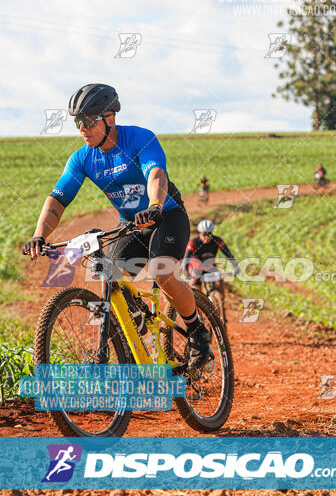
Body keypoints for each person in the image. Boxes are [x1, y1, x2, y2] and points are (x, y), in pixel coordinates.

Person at [23, 83, 211, 368]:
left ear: (110, 119)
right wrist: (39, 235)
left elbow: (156, 174)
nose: (82, 128)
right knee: (110, 277)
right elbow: (57, 200)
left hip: (166, 215)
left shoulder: (140, 139)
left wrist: (155, 206)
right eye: (77, 122)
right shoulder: (83, 158)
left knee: (162, 272)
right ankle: (144, 344)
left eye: (88, 121)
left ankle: (197, 330)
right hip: (131, 225)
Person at [183, 220, 240, 304]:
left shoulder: (217, 240)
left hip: (210, 267)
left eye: (209, 234)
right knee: (197, 292)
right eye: (204, 234)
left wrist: (235, 266)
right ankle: (198, 312)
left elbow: (228, 254)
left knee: (220, 283)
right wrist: (186, 272)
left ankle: (221, 304)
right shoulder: (193, 243)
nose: (207, 237)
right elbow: (186, 259)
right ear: (200, 233)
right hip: (196, 268)